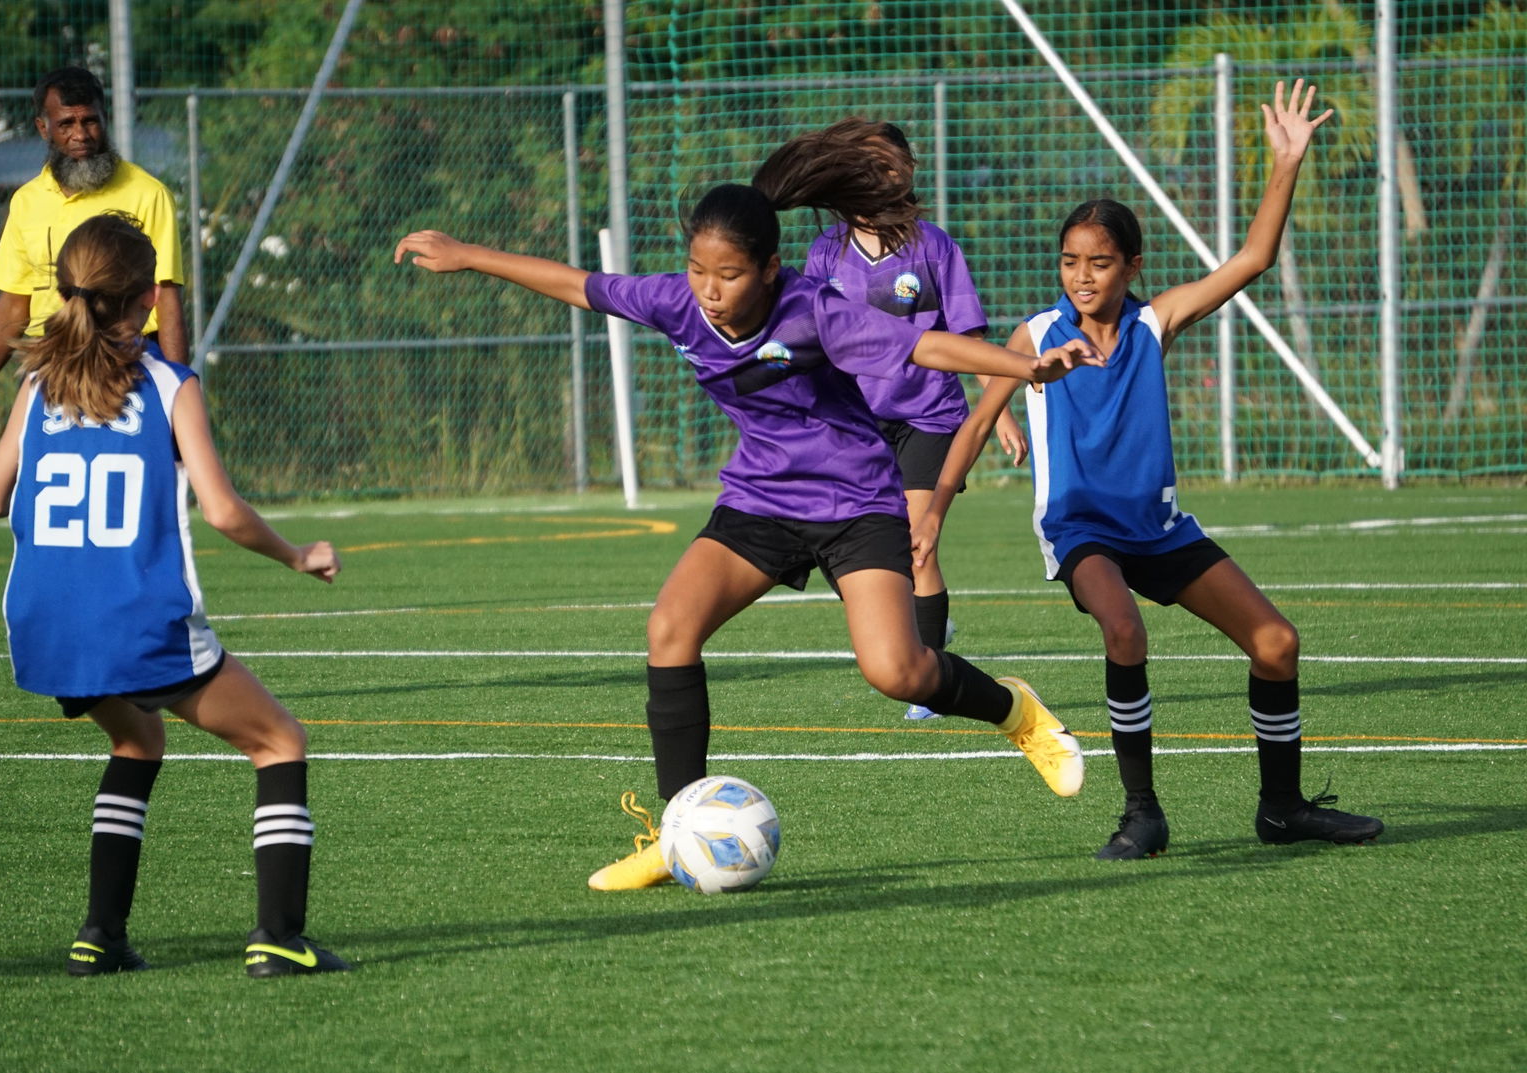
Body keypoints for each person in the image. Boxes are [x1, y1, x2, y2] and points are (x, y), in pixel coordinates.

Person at [396, 149, 1105, 892]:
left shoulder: (817, 311)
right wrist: (468, 255)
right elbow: (579, 285)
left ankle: (1015, 711)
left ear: (769, 268)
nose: (709, 290)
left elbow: (923, 345)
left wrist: (1023, 367)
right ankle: (675, 836)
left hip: (855, 500)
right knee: (670, 629)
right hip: (761, 497)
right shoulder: (676, 301)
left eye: (729, 275)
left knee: (898, 671)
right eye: (700, 271)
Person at [916, 80, 1384, 860]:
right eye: (1070, 261)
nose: (1082, 275)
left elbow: (1253, 258)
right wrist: (933, 511)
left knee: (1277, 642)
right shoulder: (1034, 335)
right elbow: (971, 421)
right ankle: (1142, 813)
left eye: (1100, 262)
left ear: (1133, 265)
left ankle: (1283, 807)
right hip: (1082, 531)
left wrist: (1285, 162)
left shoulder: (1151, 323)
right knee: (1124, 629)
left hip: (1161, 529)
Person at [0, 213, 348, 977]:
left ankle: (99, 935)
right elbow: (224, 511)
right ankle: (279, 936)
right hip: (135, 620)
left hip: (42, 628)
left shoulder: (37, 383)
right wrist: (297, 554)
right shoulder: (170, 384)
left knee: (137, 739)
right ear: (146, 300)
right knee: (279, 741)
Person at [781, 119, 1028, 720]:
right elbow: (811, 336)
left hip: (929, 414)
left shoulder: (934, 245)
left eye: (894, 167)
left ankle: (932, 678)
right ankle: (915, 623)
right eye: (870, 168)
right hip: (856, 424)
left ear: (908, 172)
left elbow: (967, 335)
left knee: (919, 546)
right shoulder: (825, 251)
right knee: (860, 552)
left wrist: (997, 410)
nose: (885, 179)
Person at [0, 66, 187, 460]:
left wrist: (178, 402)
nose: (81, 135)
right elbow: (13, 305)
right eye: (67, 124)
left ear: (104, 119)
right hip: (51, 371)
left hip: (128, 371)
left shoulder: (148, 194)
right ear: (44, 129)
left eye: (90, 120)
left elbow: (168, 301)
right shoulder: (26, 202)